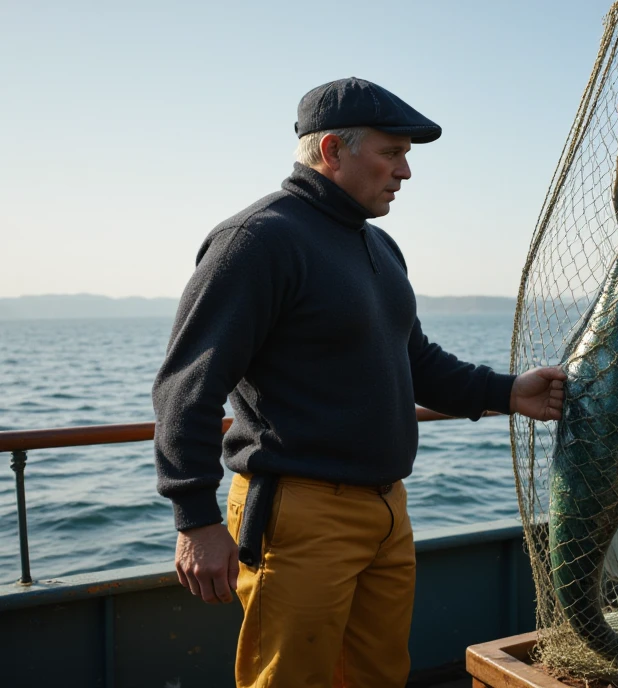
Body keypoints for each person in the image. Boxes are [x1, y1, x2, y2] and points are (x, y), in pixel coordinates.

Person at [152, 76, 566, 688]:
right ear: (331, 153)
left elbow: (416, 360)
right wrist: (195, 518)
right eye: (391, 153)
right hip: (299, 512)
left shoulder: (380, 246)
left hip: (387, 509)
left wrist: (507, 392)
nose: (404, 172)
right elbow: (186, 387)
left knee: (380, 676)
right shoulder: (258, 239)